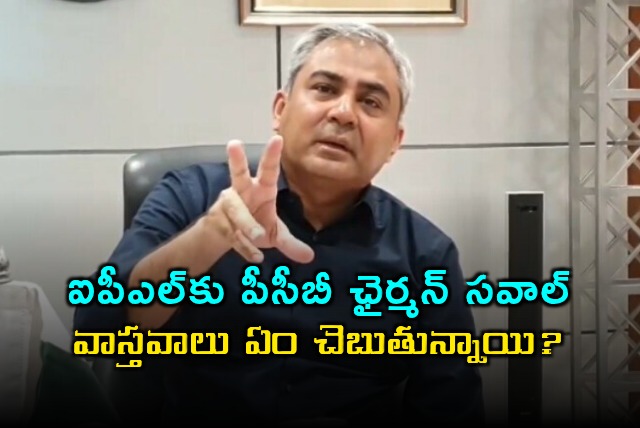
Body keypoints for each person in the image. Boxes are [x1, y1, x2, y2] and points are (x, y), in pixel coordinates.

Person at [74, 22, 484, 426]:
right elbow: (98, 326)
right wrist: (211, 234)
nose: (343, 113)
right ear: (281, 110)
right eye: (325, 88)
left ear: (394, 142)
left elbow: (452, 409)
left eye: (371, 102)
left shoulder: (425, 256)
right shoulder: (190, 195)